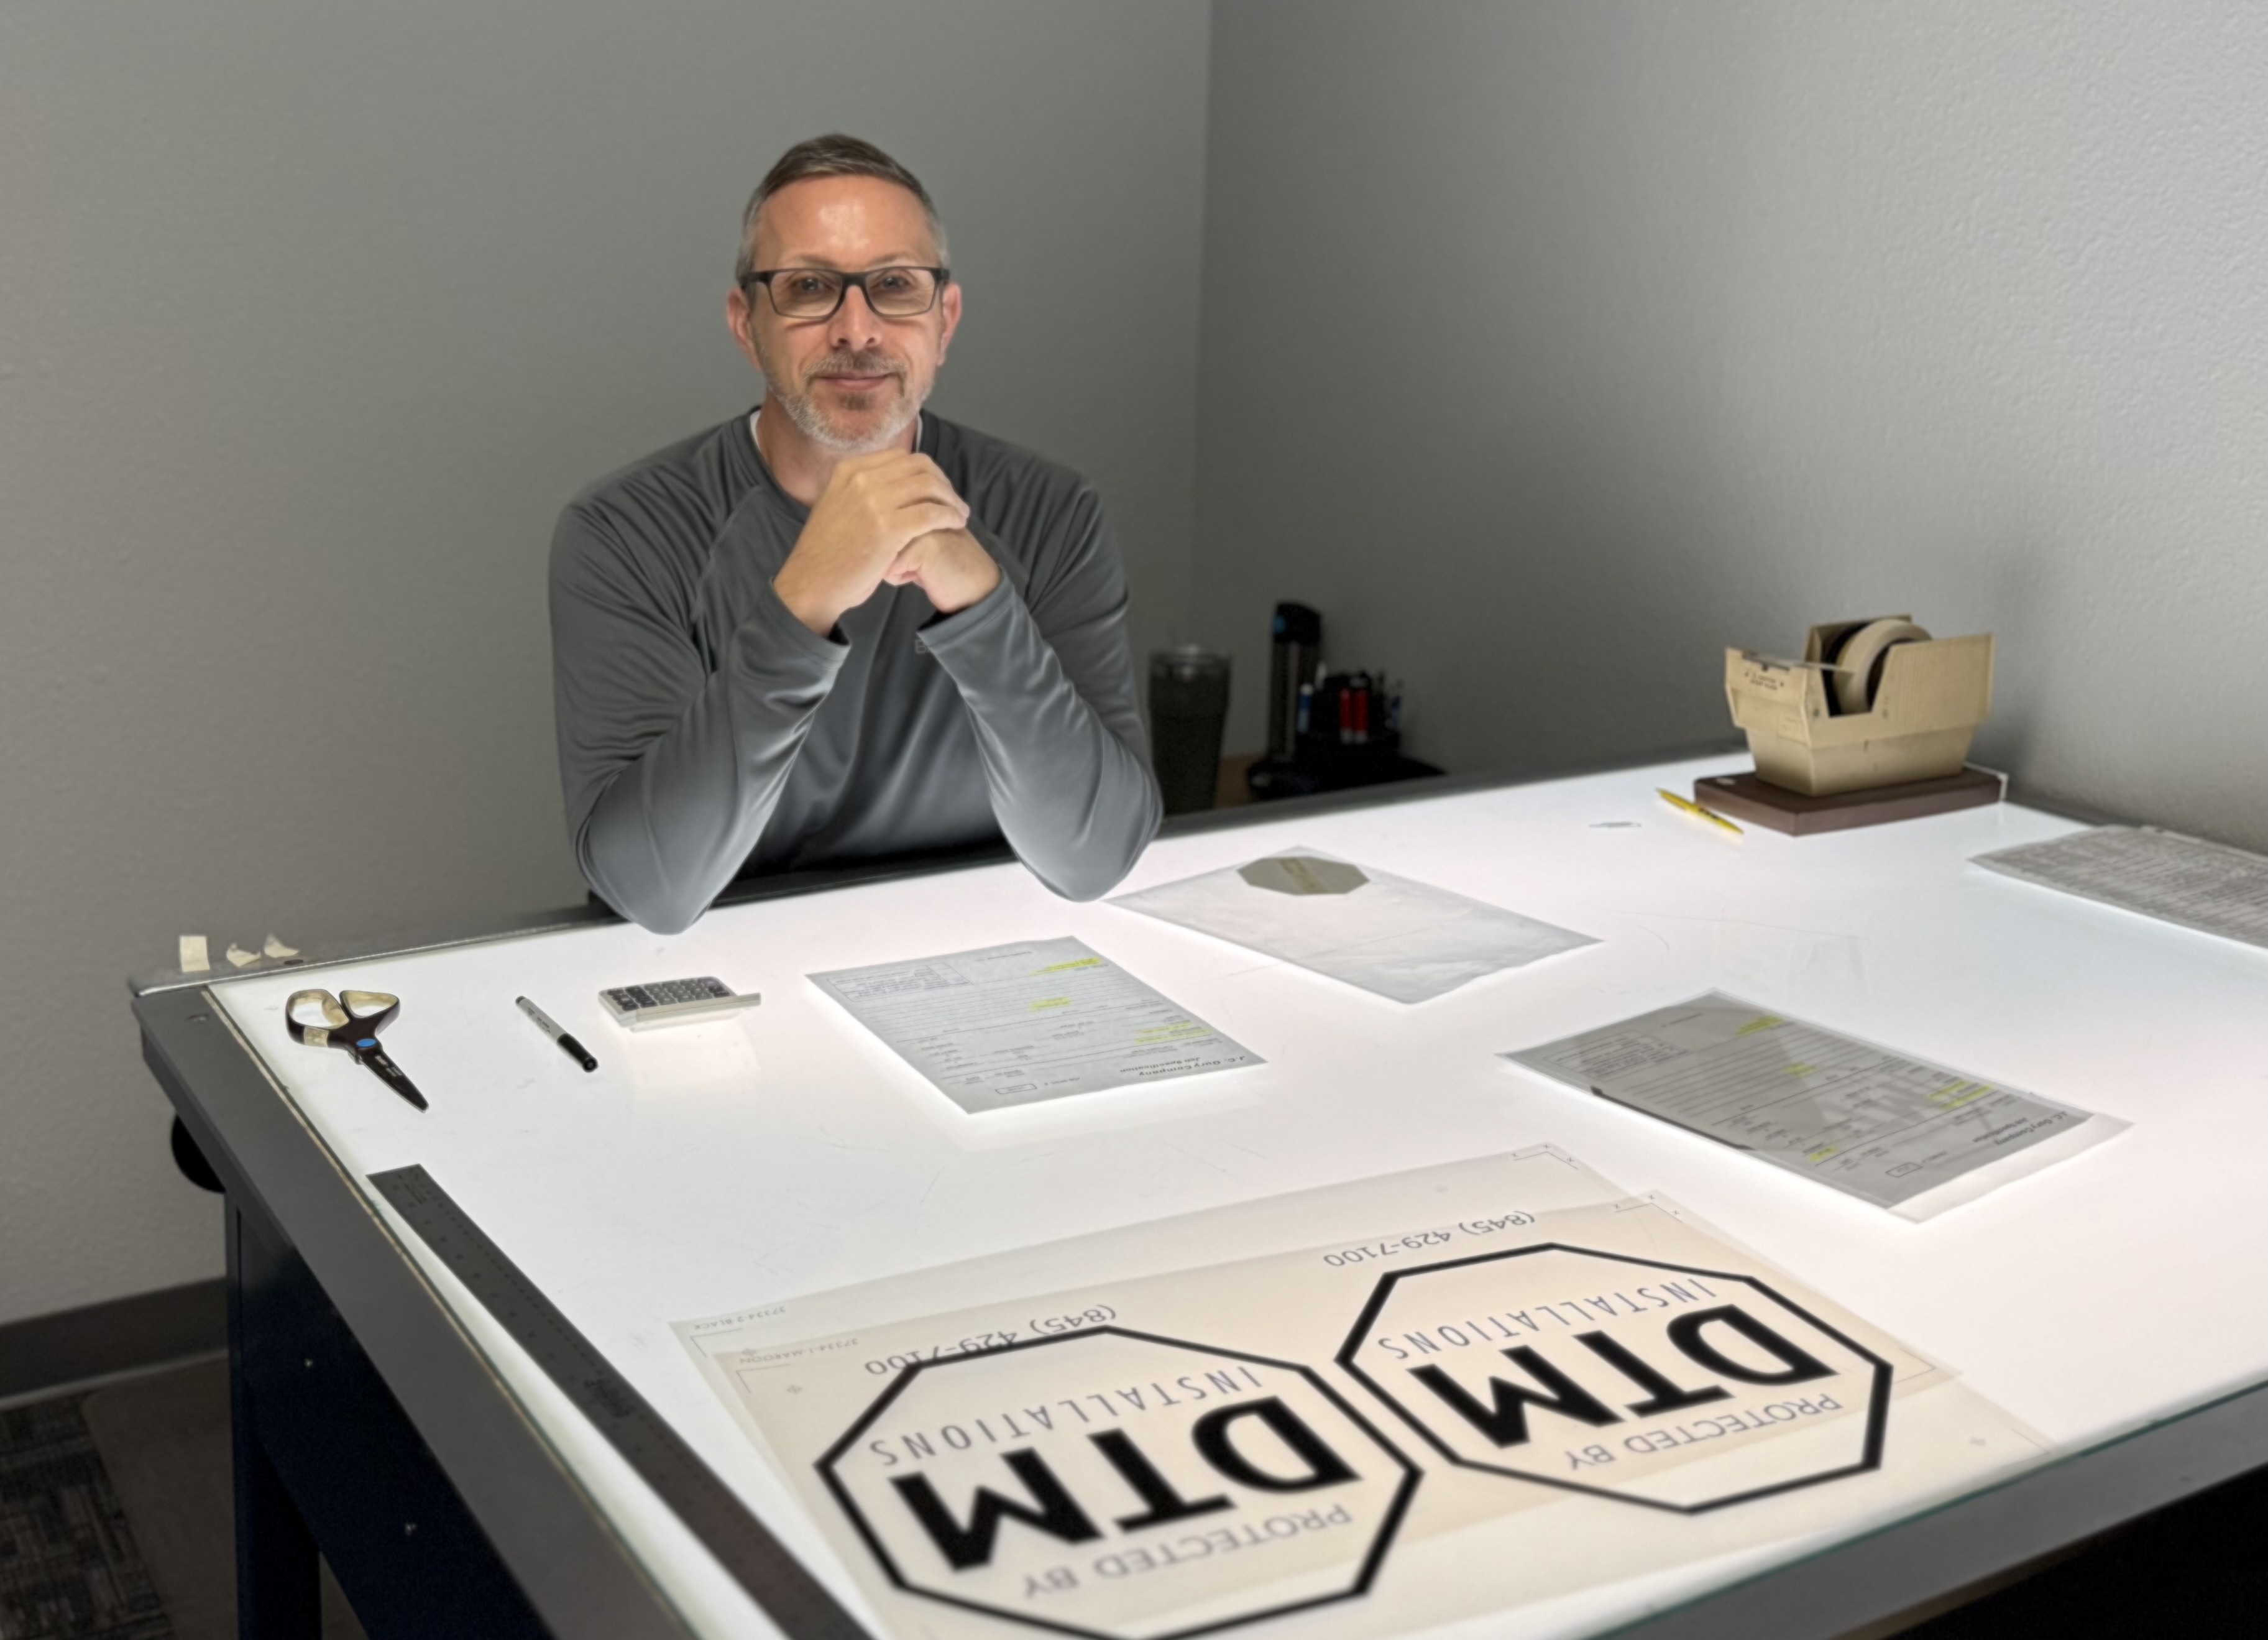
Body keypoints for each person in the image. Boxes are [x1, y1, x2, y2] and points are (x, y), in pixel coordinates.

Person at [549, 136, 1160, 934]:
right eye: (808, 287)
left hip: (971, 955)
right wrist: (803, 601)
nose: (856, 328)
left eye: (894, 285)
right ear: (746, 324)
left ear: (945, 320)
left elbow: (1095, 858)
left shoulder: (1050, 511)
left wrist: (983, 609)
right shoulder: (626, 531)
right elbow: (651, 888)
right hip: (719, 976)